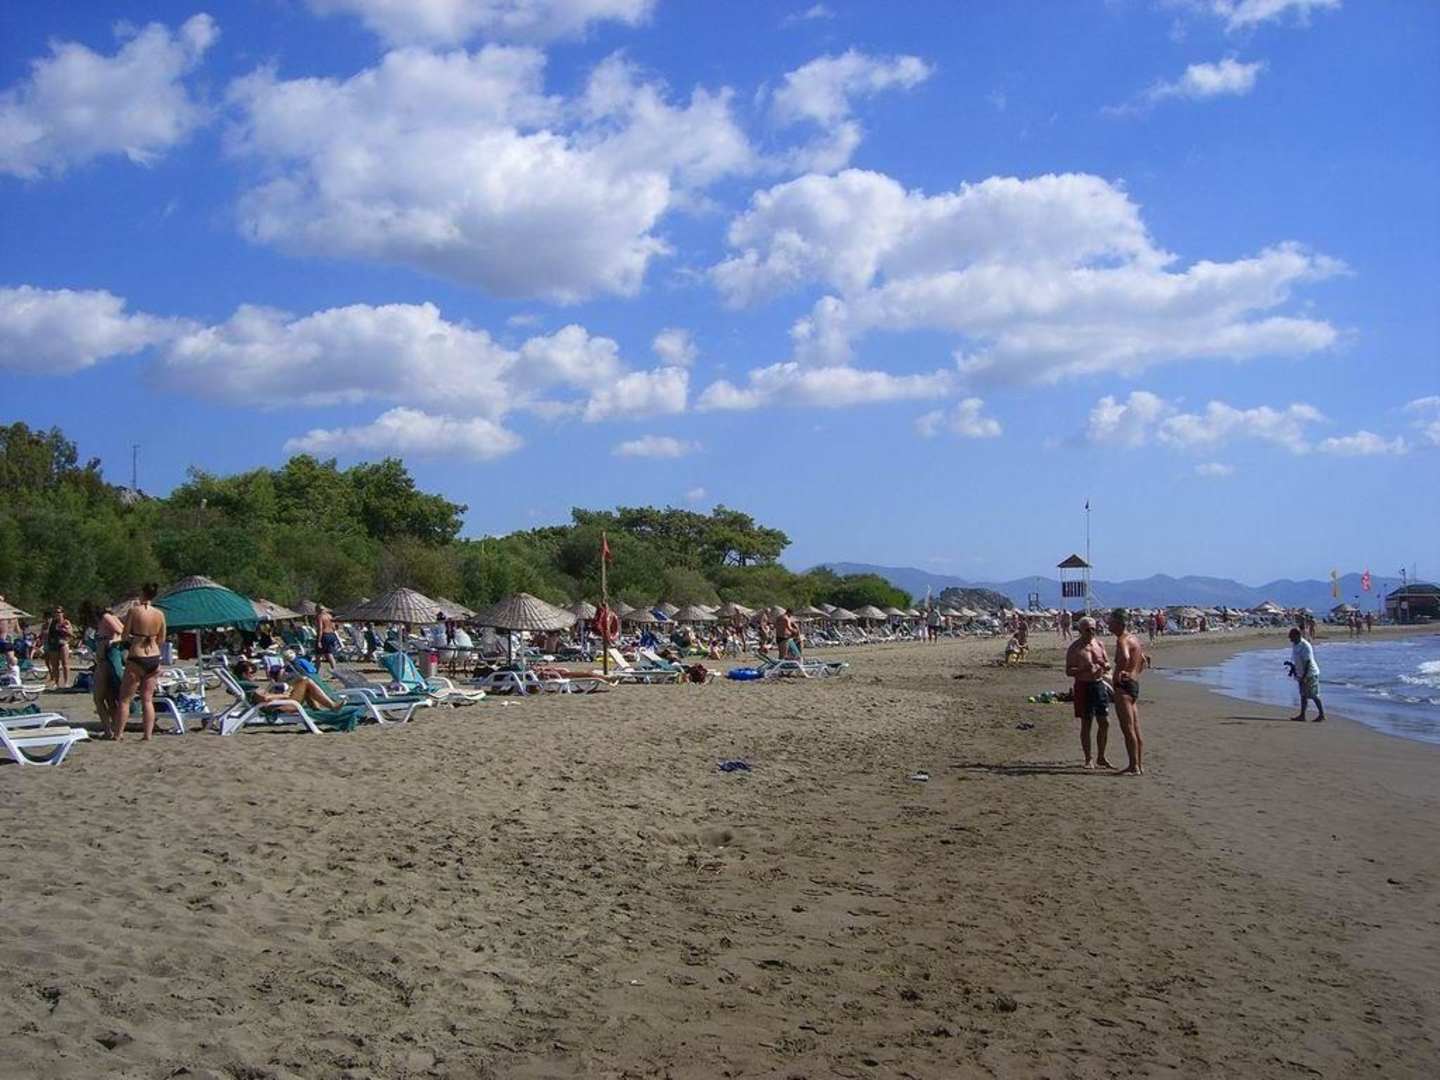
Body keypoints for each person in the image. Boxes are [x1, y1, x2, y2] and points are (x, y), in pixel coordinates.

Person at [113, 584, 166, 741]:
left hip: (137, 655)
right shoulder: (160, 614)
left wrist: (133, 639)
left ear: (142, 593)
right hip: (154, 656)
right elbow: (162, 638)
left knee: (125, 699)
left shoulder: (134, 611)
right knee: (147, 699)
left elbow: (124, 635)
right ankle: (147, 734)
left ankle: (118, 734)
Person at [1065, 616, 1113, 769]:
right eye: (1088, 629)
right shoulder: (1075, 648)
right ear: (1080, 630)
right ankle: (1088, 759)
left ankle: (1101, 757)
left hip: (1099, 684)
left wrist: (1104, 666)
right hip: (1083, 686)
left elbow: (1107, 664)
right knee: (1087, 723)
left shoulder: (1099, 644)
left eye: (1094, 629)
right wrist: (1083, 669)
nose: (1091, 632)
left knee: (1104, 722)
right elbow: (1068, 671)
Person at [1109, 608, 1146, 775]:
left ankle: (1133, 766)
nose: (1108, 624)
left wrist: (1118, 674)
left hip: (1124, 686)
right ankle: (1139, 765)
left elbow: (1124, 657)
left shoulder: (1122, 640)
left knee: (1128, 727)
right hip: (1133, 684)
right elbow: (1143, 659)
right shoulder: (1134, 639)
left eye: (1110, 621)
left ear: (1118, 623)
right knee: (1135, 727)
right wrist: (1134, 672)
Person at [231, 658, 343, 712]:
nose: (253, 675)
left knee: (301, 682)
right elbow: (264, 698)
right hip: (279, 707)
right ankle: (332, 706)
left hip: (276, 704)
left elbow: (263, 696)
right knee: (305, 681)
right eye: (250, 673)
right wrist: (284, 695)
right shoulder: (246, 685)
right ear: (243, 673)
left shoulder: (244, 684)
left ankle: (317, 709)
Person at [90, 603, 126, 727]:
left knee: (99, 698)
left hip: (106, 658)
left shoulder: (106, 617)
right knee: (109, 697)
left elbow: (122, 632)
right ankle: (113, 728)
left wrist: (111, 641)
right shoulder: (110, 618)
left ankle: (108, 729)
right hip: (105, 658)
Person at [1288, 627, 1325, 722]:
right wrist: (1292, 668)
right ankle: (1302, 715)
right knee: (1303, 694)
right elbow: (1296, 659)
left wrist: (1304, 676)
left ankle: (1321, 715)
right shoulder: (1295, 645)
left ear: (1297, 636)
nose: (1290, 639)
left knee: (1313, 695)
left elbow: (1308, 662)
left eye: (1291, 637)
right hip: (1301, 673)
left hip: (1310, 673)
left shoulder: (1305, 646)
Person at [41, 606, 73, 689]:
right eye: (55, 612)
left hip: (63, 643)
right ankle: (56, 682)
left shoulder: (66, 622)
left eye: (59, 612)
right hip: (53, 644)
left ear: (62, 613)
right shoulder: (52, 622)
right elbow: (47, 633)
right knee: (55, 665)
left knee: (65, 663)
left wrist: (64, 630)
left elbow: (71, 634)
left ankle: (66, 682)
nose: (57, 614)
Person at [315, 606, 340, 674]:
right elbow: (334, 628)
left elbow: (320, 629)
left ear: (317, 610)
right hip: (331, 635)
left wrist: (319, 641)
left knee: (318, 655)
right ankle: (335, 671)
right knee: (329, 654)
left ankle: (316, 671)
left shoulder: (320, 616)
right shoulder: (329, 616)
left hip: (324, 635)